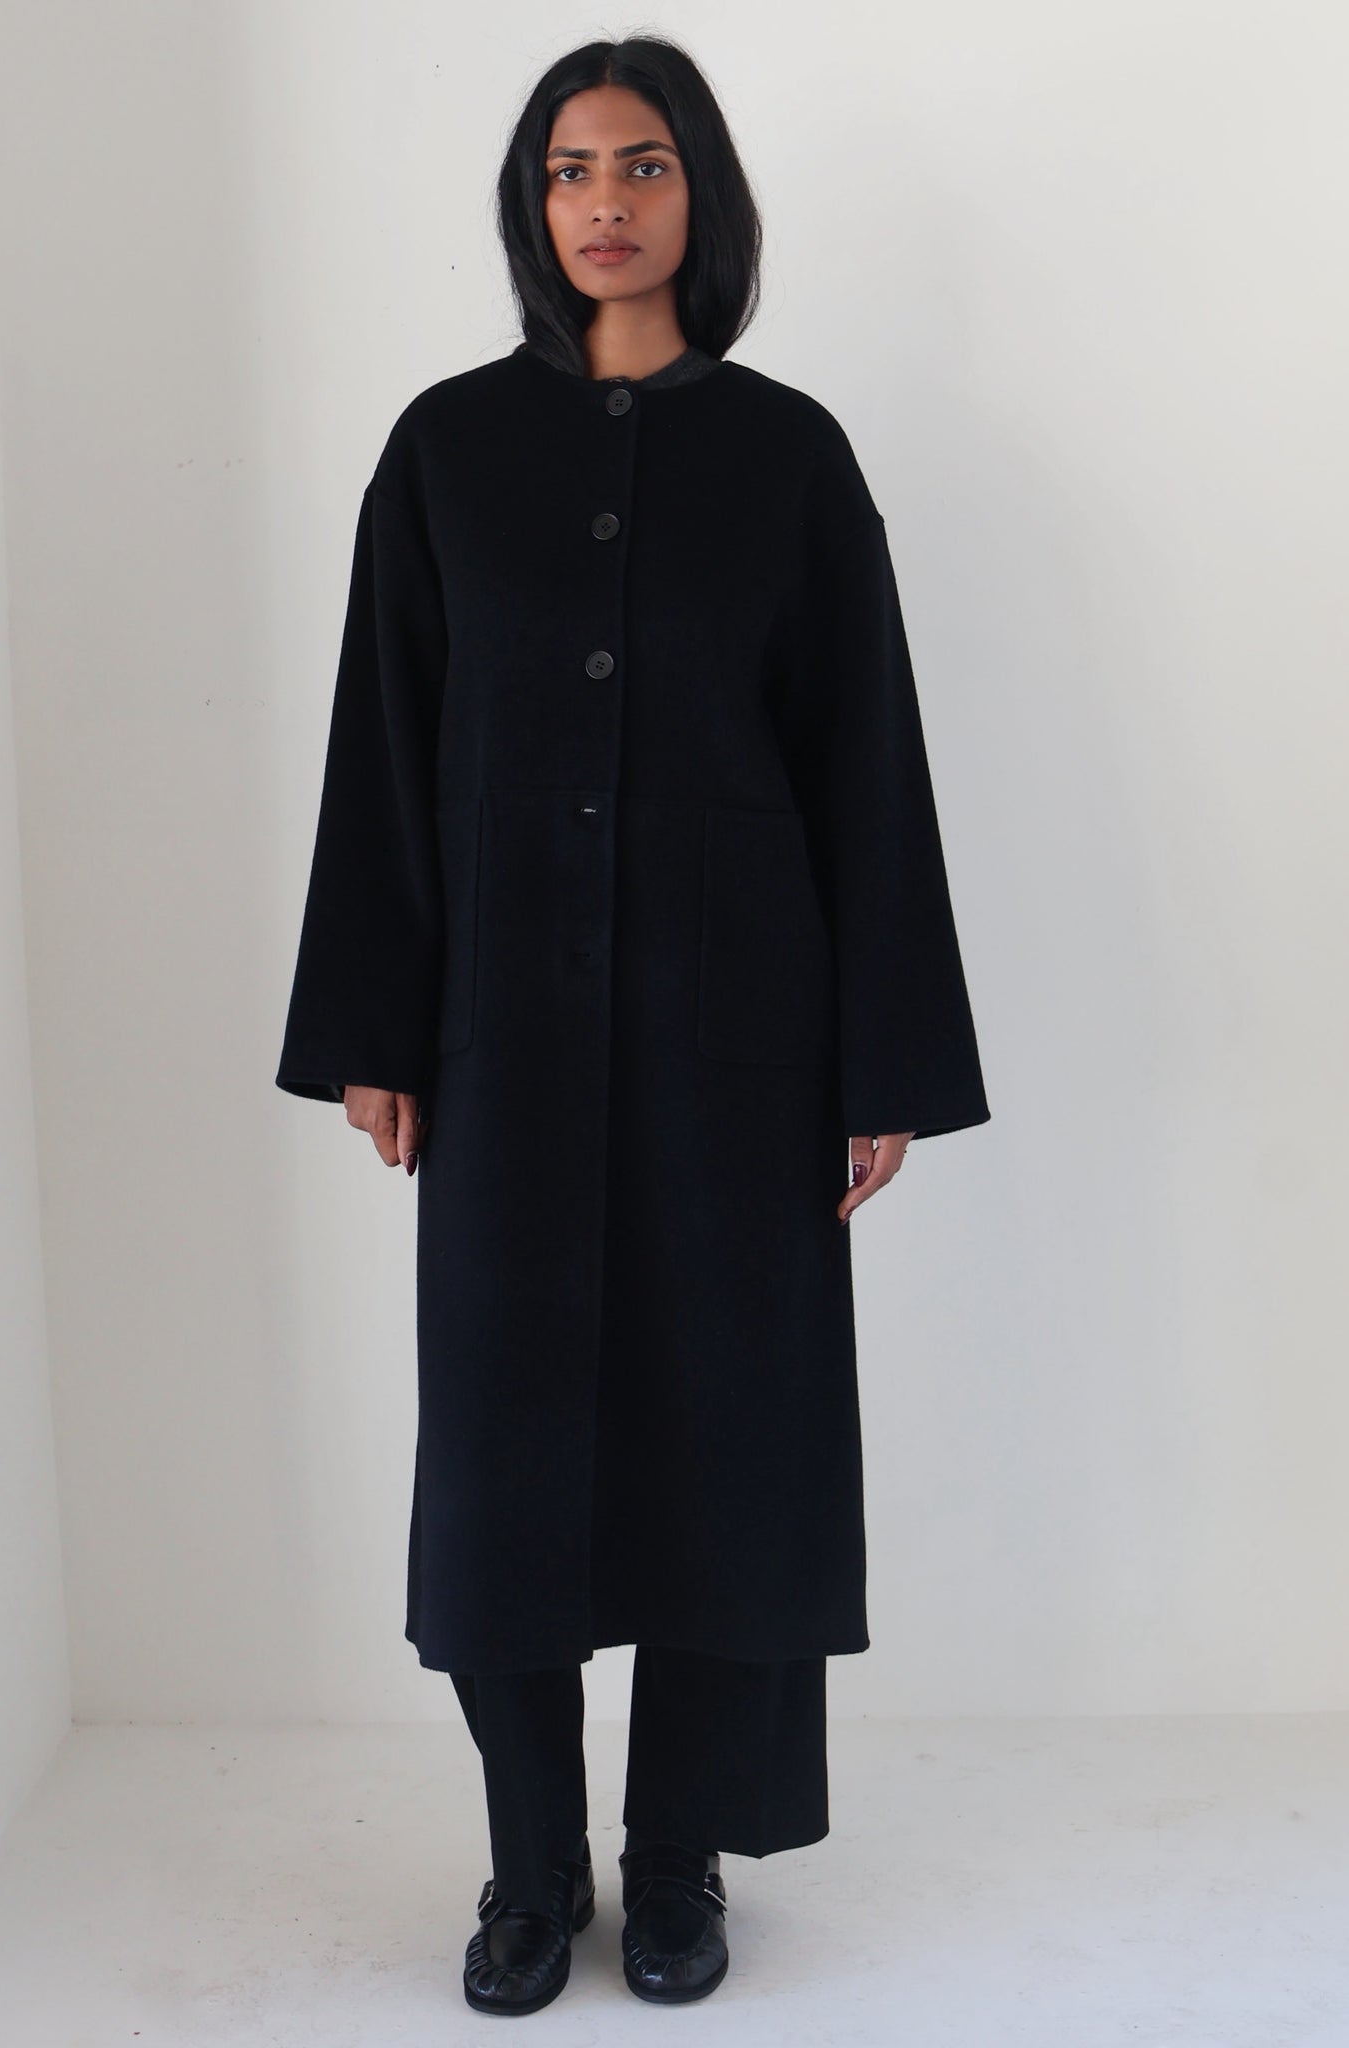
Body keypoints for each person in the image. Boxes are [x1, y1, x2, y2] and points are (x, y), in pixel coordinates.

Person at [275, 32, 990, 2018]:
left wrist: (879, 1063)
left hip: (735, 1045)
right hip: (500, 1036)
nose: (604, 202)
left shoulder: (790, 459)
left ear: (702, 196)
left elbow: (865, 769)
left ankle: (675, 1857)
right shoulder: (444, 452)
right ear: (533, 205)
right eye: (569, 169)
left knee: (726, 1446)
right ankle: (531, 1865)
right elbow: (385, 750)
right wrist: (375, 1023)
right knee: (501, 1459)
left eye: (644, 163)